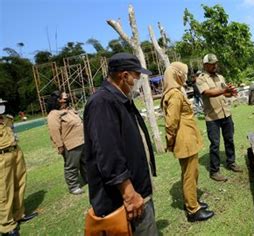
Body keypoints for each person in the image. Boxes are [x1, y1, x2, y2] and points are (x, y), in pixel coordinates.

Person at [83, 53, 158, 235]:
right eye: (137, 76)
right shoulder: (102, 102)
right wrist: (129, 193)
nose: (139, 81)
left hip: (137, 191)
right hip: (124, 199)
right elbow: (109, 154)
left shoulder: (121, 99)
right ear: (124, 76)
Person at [161, 62, 215, 222]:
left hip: (187, 139)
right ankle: (193, 210)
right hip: (184, 141)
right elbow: (171, 122)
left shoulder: (175, 91)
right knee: (190, 175)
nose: (185, 76)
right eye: (183, 73)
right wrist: (170, 141)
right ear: (176, 74)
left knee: (190, 173)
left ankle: (192, 201)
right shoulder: (175, 95)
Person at [196, 53, 242, 182]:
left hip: (226, 113)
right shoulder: (201, 79)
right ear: (205, 65)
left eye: (215, 63)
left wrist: (231, 92)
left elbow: (224, 94)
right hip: (212, 117)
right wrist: (224, 90)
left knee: (229, 139)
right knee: (215, 144)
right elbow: (208, 93)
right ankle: (214, 171)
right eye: (211, 64)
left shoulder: (220, 77)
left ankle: (231, 162)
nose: (215, 65)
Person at [0, 98, 37, 235]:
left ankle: (18, 214)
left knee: (19, 184)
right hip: (1, 156)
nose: (2, 108)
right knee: (4, 191)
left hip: (15, 152)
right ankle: (7, 225)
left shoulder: (8, 119)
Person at [46, 91, 87, 195]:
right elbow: (54, 131)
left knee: (86, 163)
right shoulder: (53, 114)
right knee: (72, 166)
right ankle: (73, 186)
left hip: (82, 140)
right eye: (65, 96)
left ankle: (89, 179)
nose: (67, 96)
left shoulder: (69, 110)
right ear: (59, 100)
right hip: (71, 144)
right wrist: (59, 146)